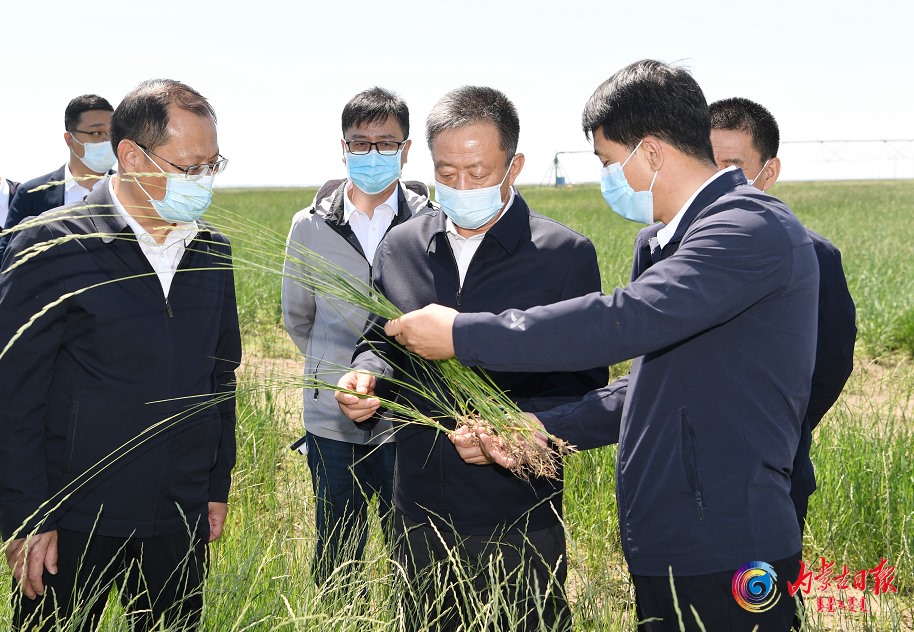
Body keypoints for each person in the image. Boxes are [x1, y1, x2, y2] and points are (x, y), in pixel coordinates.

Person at [386, 61, 819, 631]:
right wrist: (541, 429)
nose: (606, 179)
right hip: (669, 534)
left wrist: (463, 334)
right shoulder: (665, 241)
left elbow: (624, 318)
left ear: (651, 153)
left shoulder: (747, 229)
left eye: (608, 162)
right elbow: (644, 387)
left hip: (730, 537)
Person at [335, 85, 607, 631]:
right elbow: (380, 339)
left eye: (478, 172)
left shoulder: (563, 256)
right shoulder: (401, 247)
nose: (461, 187)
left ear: (513, 166)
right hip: (419, 506)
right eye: (447, 172)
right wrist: (364, 375)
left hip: (518, 512)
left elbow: (583, 384)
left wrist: (516, 432)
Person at [0, 79, 240, 632]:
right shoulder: (52, 246)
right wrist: (27, 516)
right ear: (131, 156)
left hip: (178, 514)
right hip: (70, 520)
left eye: (212, 165)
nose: (203, 181)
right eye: (189, 167)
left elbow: (220, 376)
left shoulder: (211, 251)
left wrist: (214, 485)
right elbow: (13, 395)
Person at [282, 86, 431, 585]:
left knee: (410, 544)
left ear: (406, 150)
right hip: (331, 417)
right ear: (343, 148)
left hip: (407, 415)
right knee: (336, 542)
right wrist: (336, 372)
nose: (373, 153)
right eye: (360, 143)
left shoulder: (430, 223)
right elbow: (298, 317)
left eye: (386, 143)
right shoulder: (309, 226)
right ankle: (334, 613)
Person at [708, 97, 856, 534]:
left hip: (774, 475)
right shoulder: (662, 246)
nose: (717, 181)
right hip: (675, 485)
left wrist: (782, 424)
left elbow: (831, 363)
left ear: (768, 173)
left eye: (732, 168)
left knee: (763, 579)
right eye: (708, 164)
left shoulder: (815, 255)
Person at [0, 94, 116, 259]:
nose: (108, 141)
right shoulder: (32, 194)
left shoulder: (131, 188)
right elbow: (7, 258)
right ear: (69, 139)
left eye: (113, 133)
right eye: (97, 133)